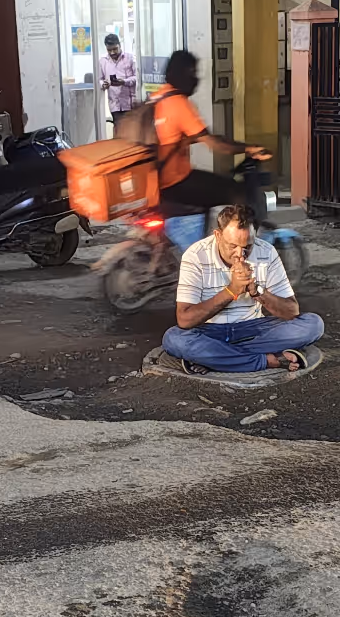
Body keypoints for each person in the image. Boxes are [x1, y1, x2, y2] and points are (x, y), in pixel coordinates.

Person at [161, 205, 324, 374]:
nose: (240, 254)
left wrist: (256, 290)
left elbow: (291, 311)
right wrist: (231, 291)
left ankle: (217, 359)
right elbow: (185, 320)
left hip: (253, 328)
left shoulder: (266, 252)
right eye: (232, 246)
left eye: (248, 246)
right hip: (209, 331)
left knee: (313, 324)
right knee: (174, 339)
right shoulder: (195, 255)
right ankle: (264, 360)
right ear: (217, 235)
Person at [152, 50, 270, 212]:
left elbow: (170, 136)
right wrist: (248, 148)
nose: (196, 78)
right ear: (182, 73)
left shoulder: (159, 96)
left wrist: (201, 138)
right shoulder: (178, 103)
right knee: (235, 191)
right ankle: (238, 236)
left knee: (212, 186)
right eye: (193, 72)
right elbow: (217, 145)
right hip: (175, 182)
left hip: (157, 181)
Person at [99, 34, 137, 128]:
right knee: (119, 131)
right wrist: (103, 84)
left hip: (130, 103)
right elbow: (99, 79)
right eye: (109, 50)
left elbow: (137, 78)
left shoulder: (130, 58)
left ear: (120, 45)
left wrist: (124, 81)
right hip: (114, 104)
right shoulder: (103, 61)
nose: (112, 53)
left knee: (131, 131)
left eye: (115, 49)